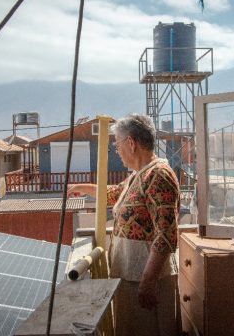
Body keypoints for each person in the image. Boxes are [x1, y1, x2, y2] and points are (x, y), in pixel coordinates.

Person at [68, 113, 180, 336]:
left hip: (146, 279)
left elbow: (166, 235)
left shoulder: (158, 175)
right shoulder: (139, 175)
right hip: (131, 276)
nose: (116, 151)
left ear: (131, 143)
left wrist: (148, 281)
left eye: (117, 145)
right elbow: (114, 194)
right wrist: (82, 187)